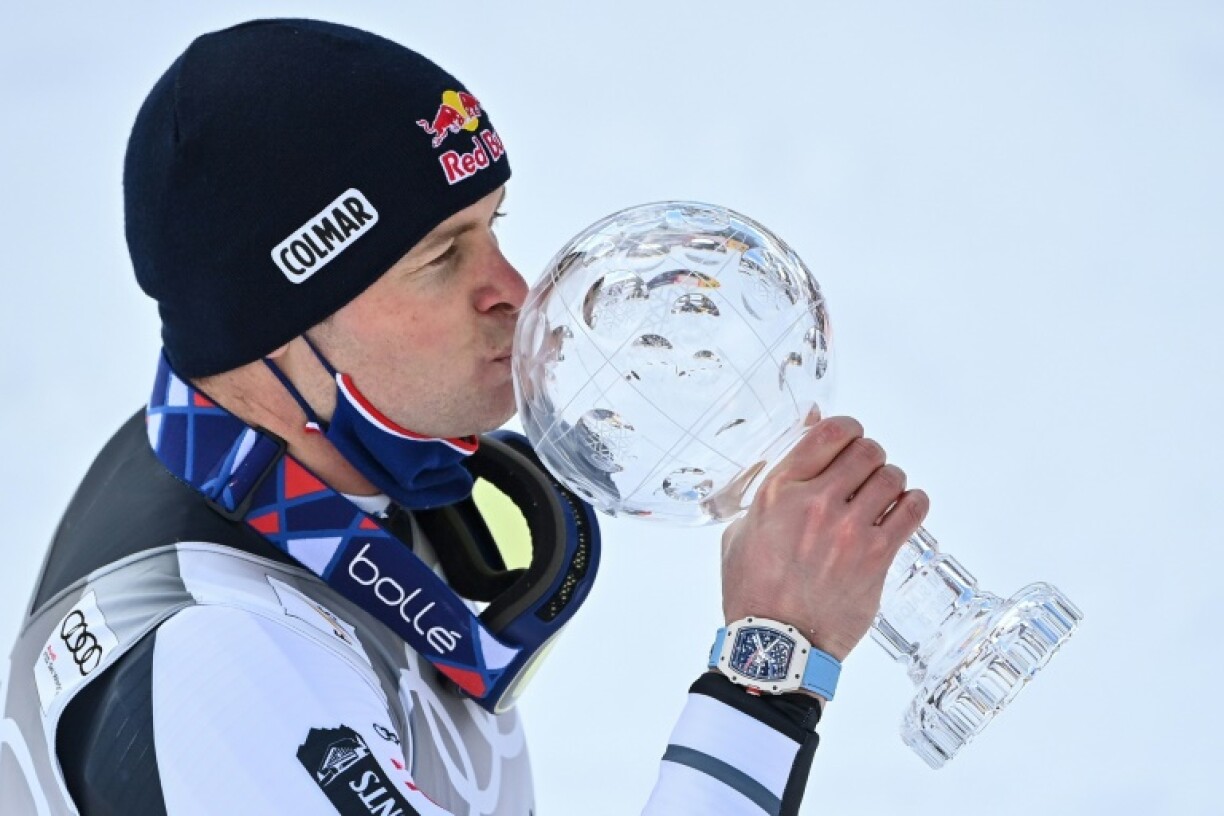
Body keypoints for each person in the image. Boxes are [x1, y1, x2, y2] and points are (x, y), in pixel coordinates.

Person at [0, 18, 928, 816]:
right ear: (275, 330)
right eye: (443, 258)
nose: (515, 295)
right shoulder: (221, 674)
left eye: (496, 227)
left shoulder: (287, 451)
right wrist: (769, 668)